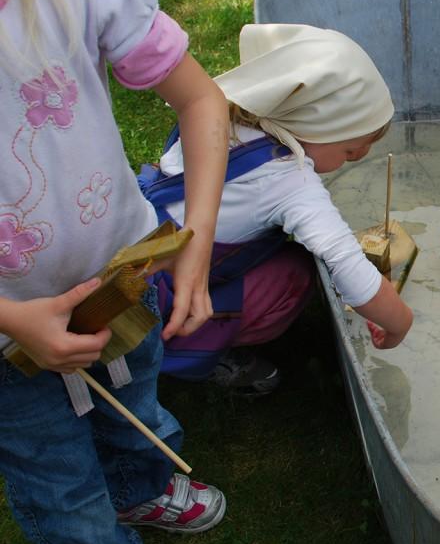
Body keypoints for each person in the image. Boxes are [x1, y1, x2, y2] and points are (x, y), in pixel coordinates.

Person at [0, 0, 231, 544]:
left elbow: (202, 99)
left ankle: (139, 488)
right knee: (61, 491)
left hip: (122, 280)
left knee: (135, 404)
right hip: (9, 343)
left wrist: (196, 241)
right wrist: (15, 317)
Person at [139, 23, 414, 396]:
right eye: (350, 152)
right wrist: (399, 322)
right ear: (317, 129)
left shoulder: (222, 111)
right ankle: (190, 349)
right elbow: (348, 267)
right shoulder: (289, 180)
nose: (352, 161)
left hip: (140, 244)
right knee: (296, 275)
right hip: (166, 299)